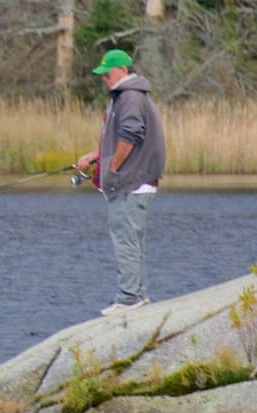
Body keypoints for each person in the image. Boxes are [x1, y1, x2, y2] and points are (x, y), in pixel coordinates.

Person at [74, 49, 165, 316]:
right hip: (134, 181)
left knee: (125, 239)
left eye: (108, 73)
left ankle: (128, 298)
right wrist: (96, 156)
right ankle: (135, 294)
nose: (104, 79)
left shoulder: (130, 97)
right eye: (102, 75)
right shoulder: (127, 95)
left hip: (131, 182)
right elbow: (121, 138)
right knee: (131, 239)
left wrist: (112, 166)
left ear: (123, 70)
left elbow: (131, 134)